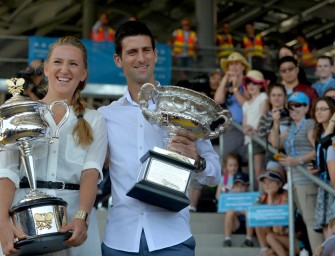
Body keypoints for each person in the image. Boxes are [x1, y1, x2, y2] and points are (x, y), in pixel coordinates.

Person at [98, 21, 220, 256]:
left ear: (155, 55)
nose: (140, 58)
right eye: (132, 52)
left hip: (173, 238)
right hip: (120, 241)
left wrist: (198, 161)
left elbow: (214, 174)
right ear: (118, 60)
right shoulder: (106, 116)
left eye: (146, 50)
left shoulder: (184, 109)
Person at [0, 36, 108, 255]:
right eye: (58, 62)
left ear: (83, 74)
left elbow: (91, 171)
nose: (65, 70)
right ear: (46, 69)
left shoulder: (94, 119)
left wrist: (82, 216)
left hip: (72, 222)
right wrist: (2, 221)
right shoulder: (21, 113)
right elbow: (7, 171)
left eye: (73, 64)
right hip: (21, 218)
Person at [268, 92, 324, 252]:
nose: (293, 110)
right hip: (294, 180)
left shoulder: (309, 124)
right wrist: (276, 122)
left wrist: (297, 161)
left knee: (311, 221)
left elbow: (316, 150)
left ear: (306, 107)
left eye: (298, 105)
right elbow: (275, 142)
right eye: (290, 106)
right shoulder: (292, 127)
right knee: (304, 221)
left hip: (306, 179)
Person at [214, 51, 250, 164]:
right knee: (228, 160)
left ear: (243, 66)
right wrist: (225, 78)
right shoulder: (228, 82)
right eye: (230, 64)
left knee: (246, 161)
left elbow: (246, 103)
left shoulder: (249, 82)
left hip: (247, 126)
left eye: (236, 63)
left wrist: (235, 88)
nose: (233, 67)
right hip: (232, 128)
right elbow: (218, 100)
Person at [309, 97, 335, 237]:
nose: (319, 112)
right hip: (323, 182)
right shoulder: (318, 133)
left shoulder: (332, 134)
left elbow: (328, 144)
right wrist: (316, 167)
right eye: (317, 109)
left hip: (333, 182)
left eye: (323, 109)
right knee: (325, 225)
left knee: (333, 224)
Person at [242, 70, 268, 188]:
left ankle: (262, 196)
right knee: (253, 171)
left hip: (258, 138)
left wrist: (254, 129)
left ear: (261, 85)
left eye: (254, 83)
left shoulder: (263, 97)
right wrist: (247, 128)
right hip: (249, 140)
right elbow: (244, 123)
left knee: (259, 170)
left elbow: (263, 116)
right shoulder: (246, 104)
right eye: (249, 83)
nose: (251, 86)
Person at [257, 83, 291, 168]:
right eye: (273, 95)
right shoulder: (264, 117)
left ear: (285, 97)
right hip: (272, 156)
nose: (276, 98)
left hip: (290, 155)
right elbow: (261, 138)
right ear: (269, 98)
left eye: (279, 95)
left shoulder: (291, 115)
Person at [221, 171, 255, 247]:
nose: (239, 187)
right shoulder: (230, 194)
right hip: (236, 223)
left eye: (242, 185)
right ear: (233, 186)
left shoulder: (251, 195)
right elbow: (224, 208)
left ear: (247, 186)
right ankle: (227, 239)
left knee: (250, 212)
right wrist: (236, 210)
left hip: (249, 223)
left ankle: (249, 239)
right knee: (229, 212)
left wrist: (244, 211)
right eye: (237, 185)